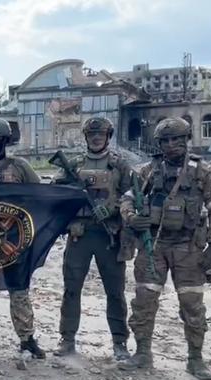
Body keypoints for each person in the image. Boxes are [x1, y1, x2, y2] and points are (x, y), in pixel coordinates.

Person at [119, 117, 211, 380]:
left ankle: (195, 359)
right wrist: (132, 218)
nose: (171, 145)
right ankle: (143, 353)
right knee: (144, 300)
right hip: (153, 245)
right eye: (165, 141)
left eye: (177, 139)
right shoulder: (147, 171)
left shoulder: (203, 171)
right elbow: (127, 200)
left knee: (192, 304)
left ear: (186, 139)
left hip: (188, 246)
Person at [52, 117, 131, 360]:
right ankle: (67, 339)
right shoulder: (73, 165)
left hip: (109, 236)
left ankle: (120, 343)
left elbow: (134, 195)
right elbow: (57, 195)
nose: (97, 137)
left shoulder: (120, 165)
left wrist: (114, 207)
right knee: (72, 290)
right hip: (80, 235)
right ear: (86, 137)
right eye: (92, 134)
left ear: (109, 135)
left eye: (101, 133)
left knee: (115, 292)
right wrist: (73, 213)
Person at [0, 117, 45, 358]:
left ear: (6, 140)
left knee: (19, 289)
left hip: (16, 239)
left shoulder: (20, 167)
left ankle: (26, 338)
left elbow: (39, 194)